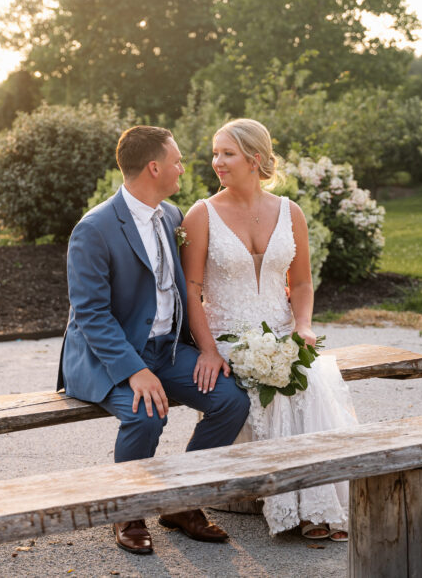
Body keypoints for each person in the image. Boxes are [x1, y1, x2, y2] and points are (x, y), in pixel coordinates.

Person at [57, 125, 250, 556]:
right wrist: (135, 370)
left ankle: (182, 502)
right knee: (146, 415)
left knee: (231, 399)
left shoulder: (172, 216)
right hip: (111, 358)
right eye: (178, 161)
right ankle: (128, 511)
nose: (184, 167)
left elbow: (192, 285)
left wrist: (206, 349)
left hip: (167, 350)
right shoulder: (94, 229)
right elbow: (90, 315)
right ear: (154, 167)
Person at [179, 118, 358, 542]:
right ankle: (291, 508)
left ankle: (317, 507)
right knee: (271, 397)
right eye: (215, 153)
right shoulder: (201, 214)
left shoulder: (289, 211)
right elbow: (191, 292)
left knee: (312, 383)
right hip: (227, 337)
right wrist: (207, 349)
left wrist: (303, 327)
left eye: (227, 153)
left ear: (254, 158)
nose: (216, 162)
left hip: (282, 333)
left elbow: (301, 283)